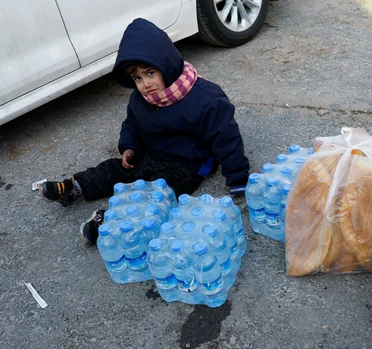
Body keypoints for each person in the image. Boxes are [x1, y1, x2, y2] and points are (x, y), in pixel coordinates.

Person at [41, 18, 250, 245]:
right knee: (115, 170)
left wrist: (238, 179)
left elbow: (227, 140)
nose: (145, 83)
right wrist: (129, 145)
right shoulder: (141, 98)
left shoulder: (205, 99)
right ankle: (74, 187)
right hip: (150, 153)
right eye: (137, 78)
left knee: (158, 196)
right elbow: (132, 122)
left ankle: (109, 221)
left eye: (150, 73)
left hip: (187, 165)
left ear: (167, 64)